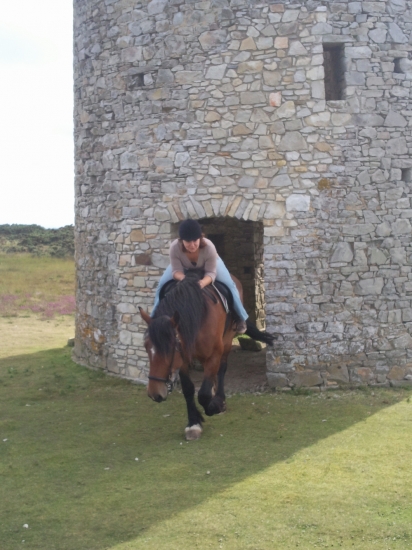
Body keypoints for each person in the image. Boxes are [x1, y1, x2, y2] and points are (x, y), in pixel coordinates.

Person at [152, 219, 248, 333]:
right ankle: (154, 317)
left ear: (200, 238)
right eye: (188, 241)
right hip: (184, 267)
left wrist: (202, 283)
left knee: (230, 285)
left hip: (210, 265)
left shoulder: (209, 247)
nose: (192, 245)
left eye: (195, 240)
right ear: (181, 240)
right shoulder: (174, 248)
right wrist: (185, 279)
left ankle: (241, 317)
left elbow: (211, 273)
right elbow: (176, 271)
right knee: (161, 285)